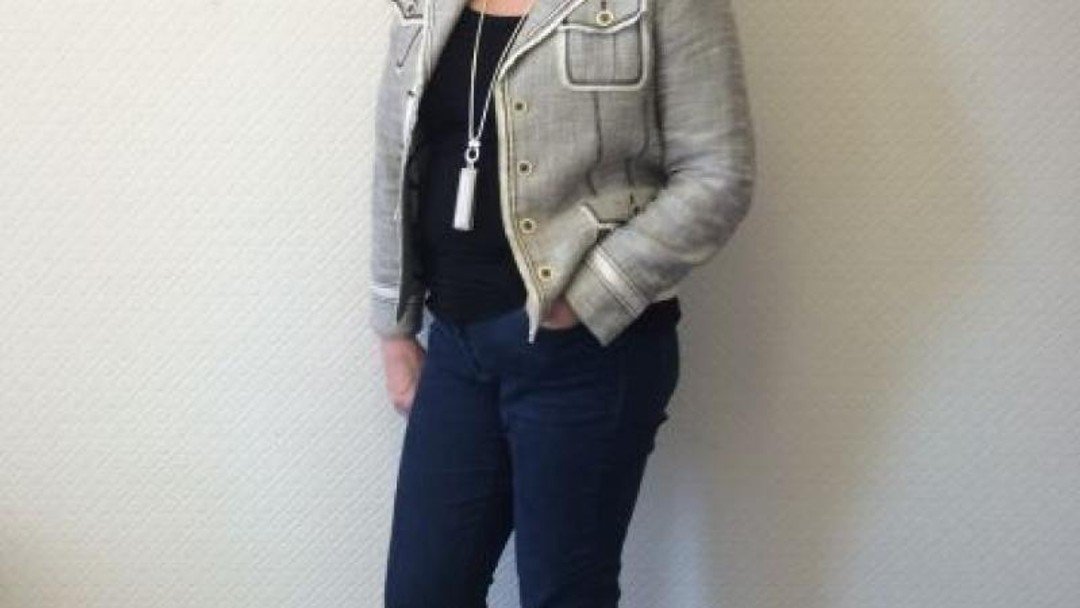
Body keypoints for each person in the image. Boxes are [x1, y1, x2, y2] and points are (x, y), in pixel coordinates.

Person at [369, 0, 755, 605]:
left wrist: (585, 299)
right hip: (456, 349)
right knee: (422, 593)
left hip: (588, 355)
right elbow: (396, 154)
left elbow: (719, 175)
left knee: (565, 595)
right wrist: (394, 327)